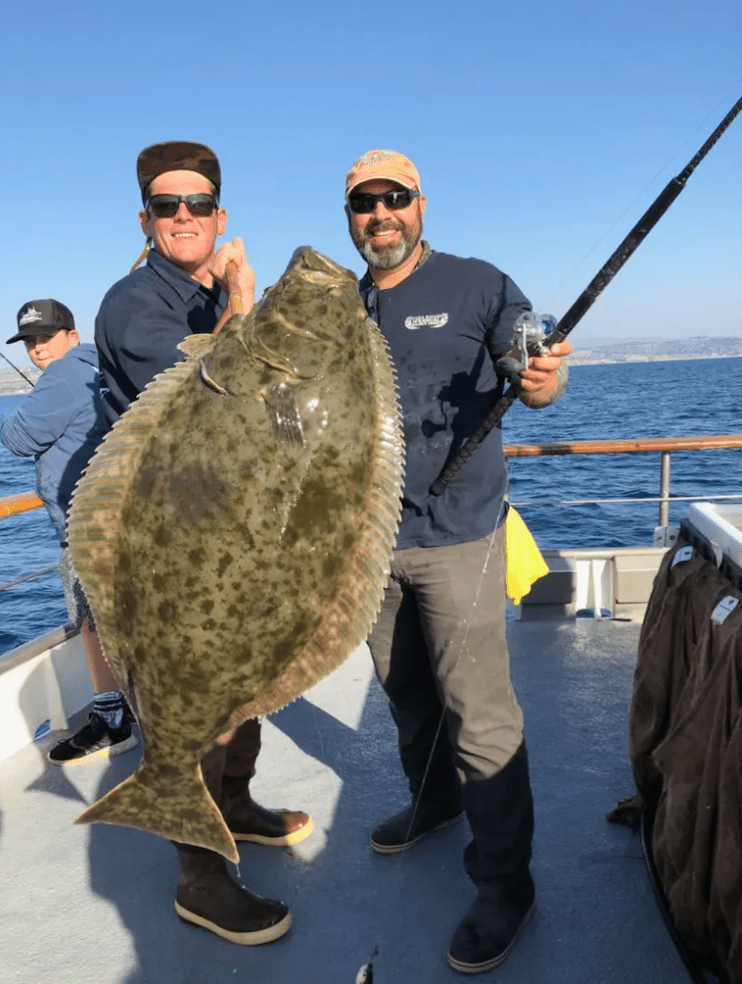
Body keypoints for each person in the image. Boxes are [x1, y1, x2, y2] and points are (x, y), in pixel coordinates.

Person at [342, 150, 572, 974]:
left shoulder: (479, 283)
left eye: (393, 199)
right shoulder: (343, 302)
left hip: (461, 534)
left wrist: (542, 379)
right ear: (351, 216)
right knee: (404, 690)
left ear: (420, 205)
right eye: (364, 203)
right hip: (369, 545)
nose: (380, 215)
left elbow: (534, 371)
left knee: (480, 714)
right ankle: (433, 802)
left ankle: (507, 882)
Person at [94, 141, 312, 945]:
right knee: (192, 712)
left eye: (197, 204)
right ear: (145, 220)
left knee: (243, 687)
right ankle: (200, 879)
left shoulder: (205, 294)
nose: (182, 216)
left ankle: (240, 807)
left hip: (234, 531)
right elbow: (210, 384)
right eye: (165, 205)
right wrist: (244, 302)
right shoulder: (133, 304)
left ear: (220, 215)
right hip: (172, 542)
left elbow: (274, 406)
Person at [1, 299, 137, 764]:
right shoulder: (101, 364)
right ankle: (141, 709)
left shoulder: (61, 376)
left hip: (86, 526)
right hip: (123, 516)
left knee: (91, 620)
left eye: (45, 337)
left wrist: (14, 419)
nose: (38, 349)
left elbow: (19, 439)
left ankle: (112, 721)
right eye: (30, 342)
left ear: (71, 336)